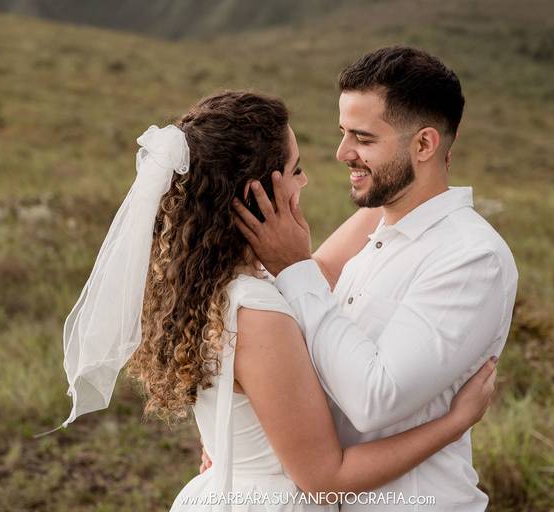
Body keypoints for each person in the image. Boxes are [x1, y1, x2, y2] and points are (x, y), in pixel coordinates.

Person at [59, 90, 498, 512]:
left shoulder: (212, 283)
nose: (305, 179)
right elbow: (325, 480)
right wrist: (453, 423)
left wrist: (414, 172)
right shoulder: (258, 314)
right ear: (260, 195)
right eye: (295, 169)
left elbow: (315, 270)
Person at [233, 47, 519, 511]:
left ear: (424, 145)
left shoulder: (470, 258)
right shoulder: (375, 233)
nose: (342, 153)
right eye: (343, 133)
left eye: (362, 138)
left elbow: (374, 401)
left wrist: (296, 270)